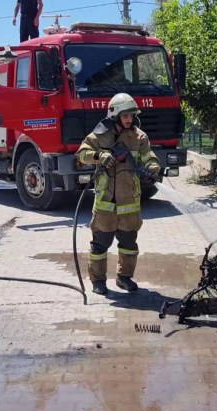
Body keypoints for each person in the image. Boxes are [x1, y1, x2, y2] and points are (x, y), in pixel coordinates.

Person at [75, 93, 161, 295]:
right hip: (105, 201)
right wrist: (100, 155)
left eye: (131, 115)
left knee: (129, 244)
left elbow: (150, 158)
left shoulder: (139, 137)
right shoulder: (100, 135)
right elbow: (81, 154)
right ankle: (98, 281)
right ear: (115, 116)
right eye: (125, 116)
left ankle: (124, 278)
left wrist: (152, 168)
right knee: (100, 245)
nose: (129, 119)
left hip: (129, 201)